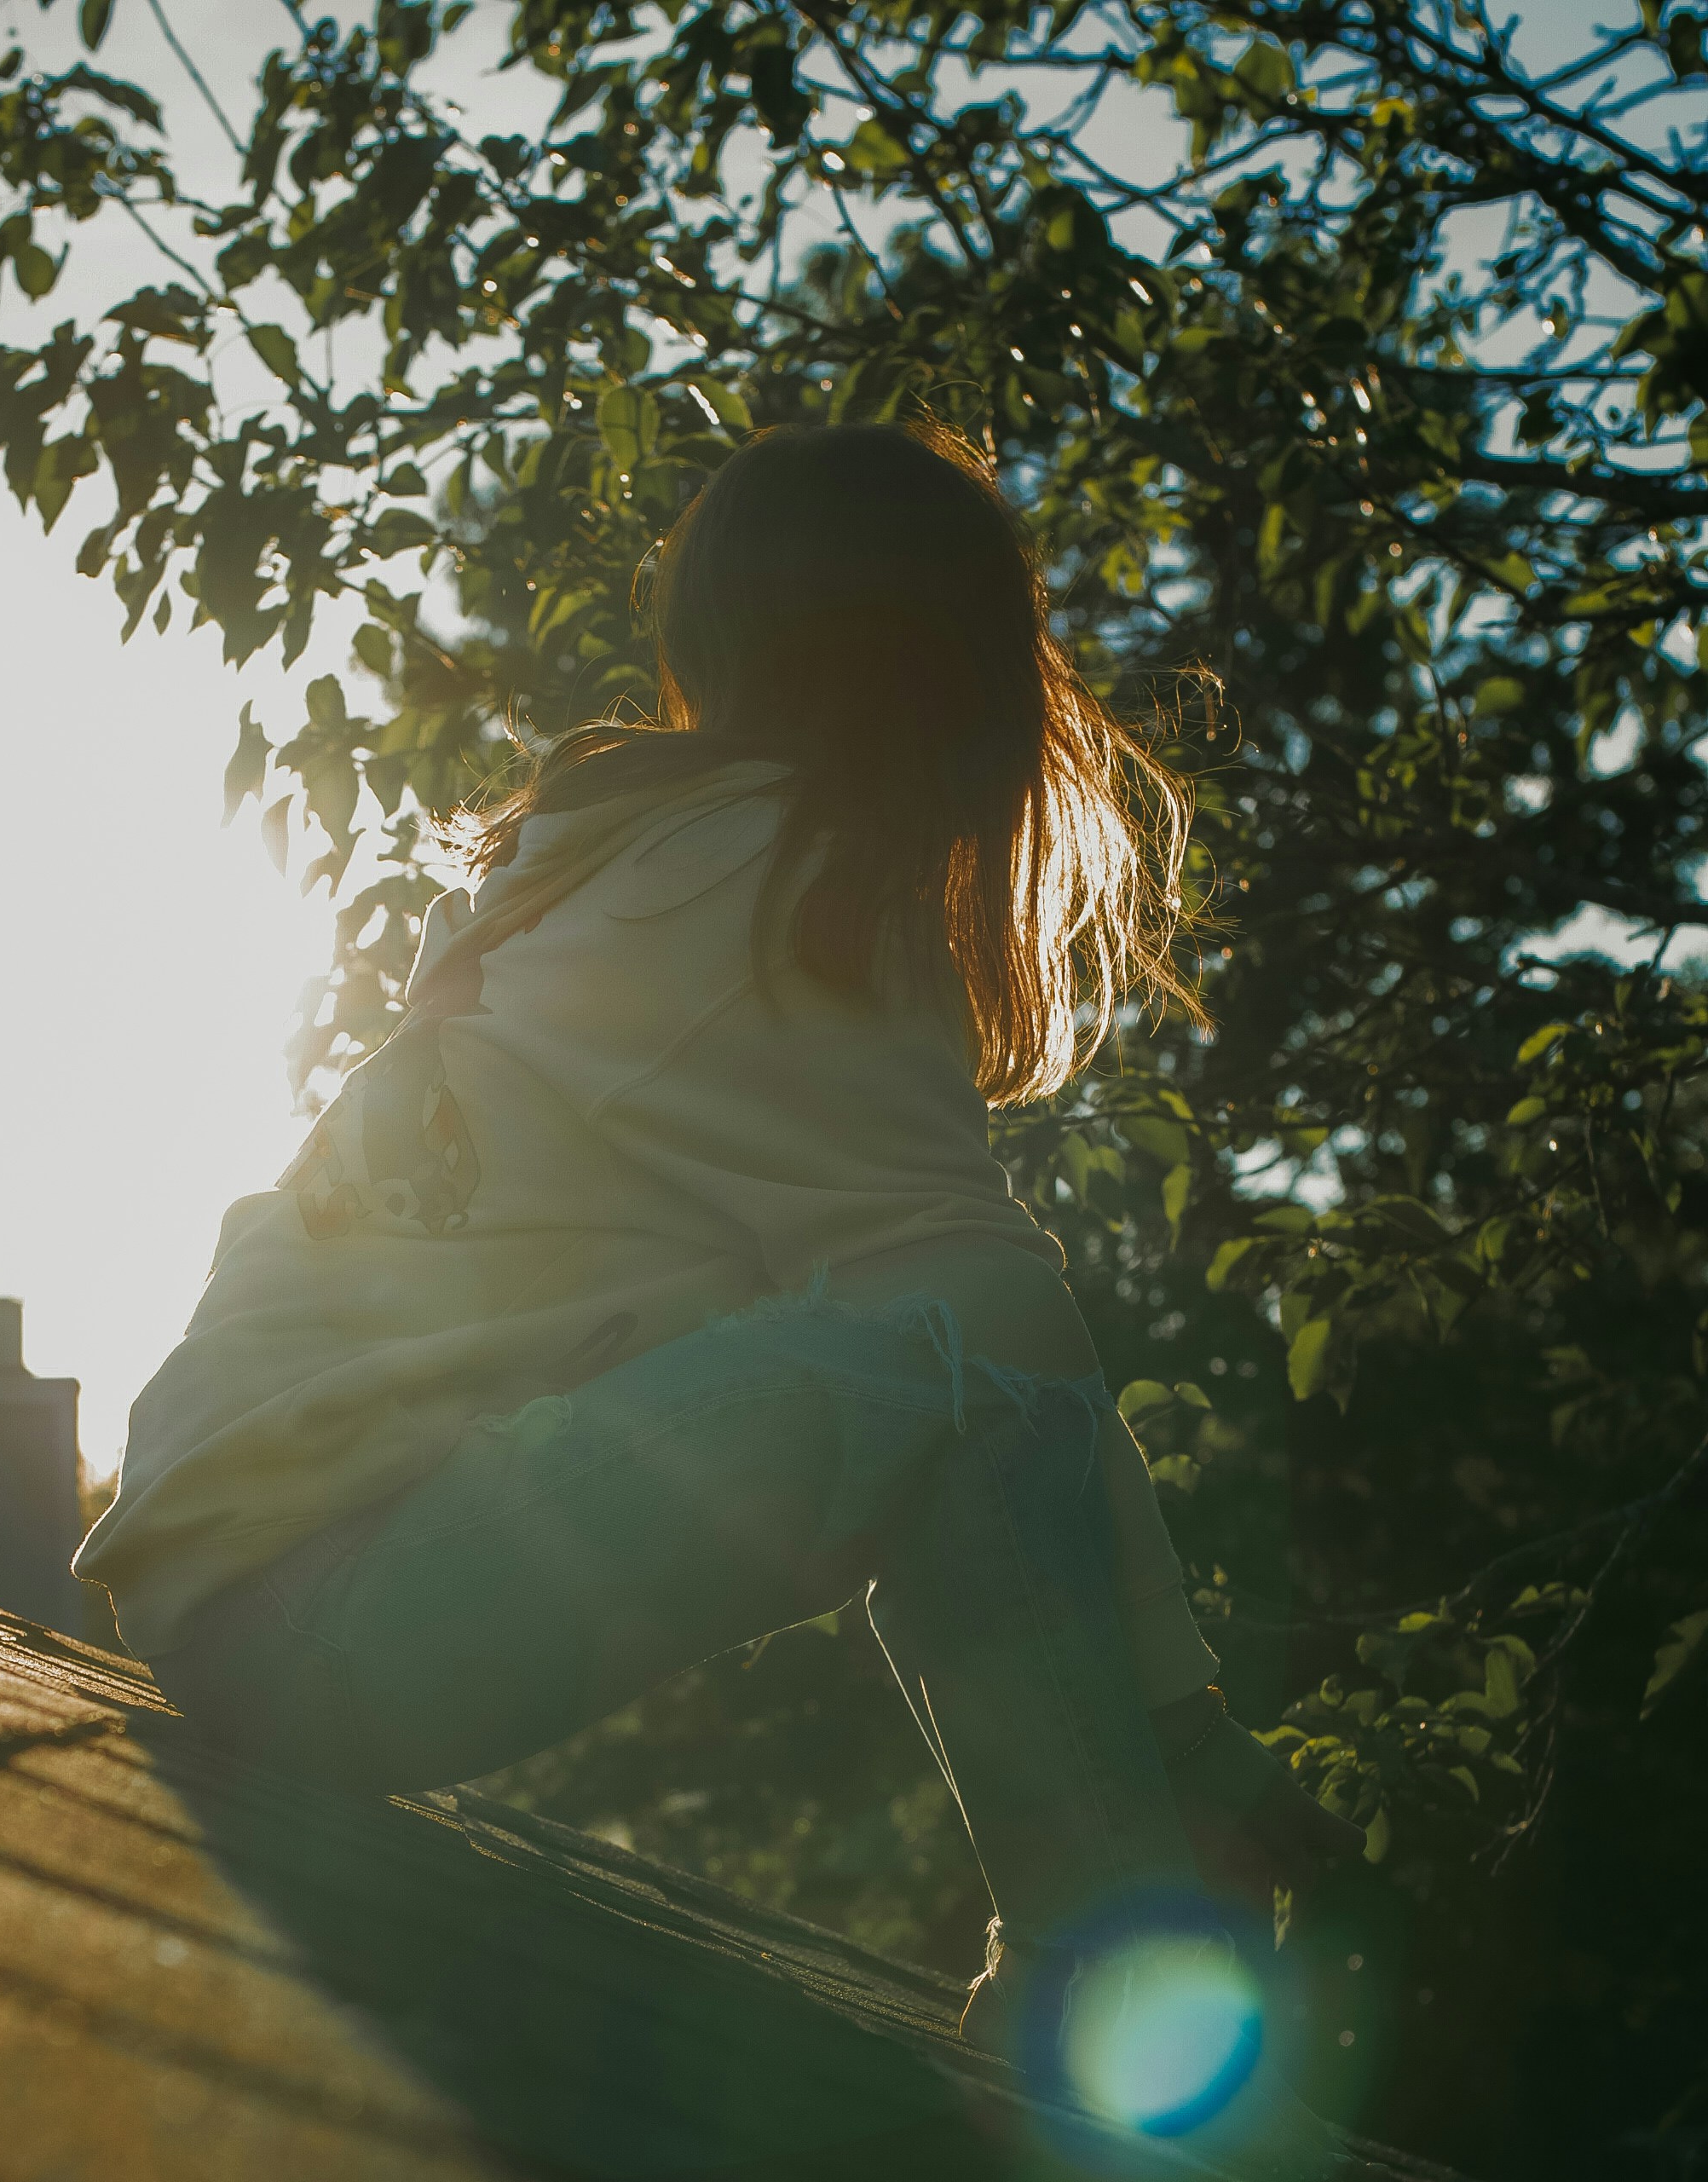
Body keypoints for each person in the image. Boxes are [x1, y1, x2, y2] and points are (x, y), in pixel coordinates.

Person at [77, 421, 1356, 2070]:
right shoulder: (779, 884)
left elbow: (973, 1308)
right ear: (960, 666)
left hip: (253, 1590)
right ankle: (1104, 1989)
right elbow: (997, 1320)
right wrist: (1189, 1739)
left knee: (953, 1376)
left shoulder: (641, 853)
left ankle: (1108, 1959)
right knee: (961, 1382)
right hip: (338, 1608)